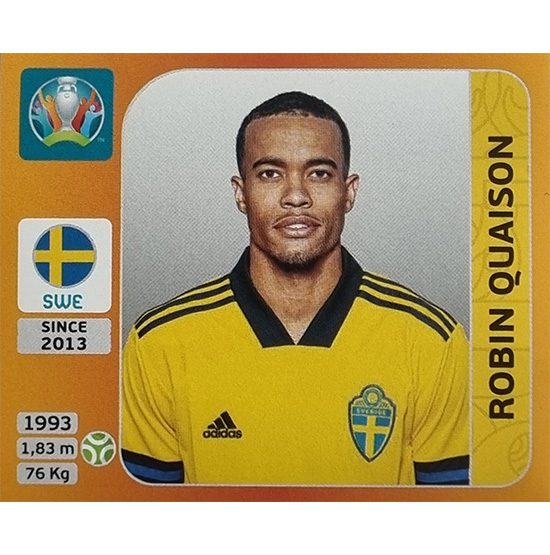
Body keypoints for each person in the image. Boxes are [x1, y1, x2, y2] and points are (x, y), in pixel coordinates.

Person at [121, 91, 469, 486]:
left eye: (319, 173)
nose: (296, 197)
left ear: (349, 192)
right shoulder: (160, 344)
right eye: (270, 174)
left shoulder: (431, 342)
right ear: (240, 193)